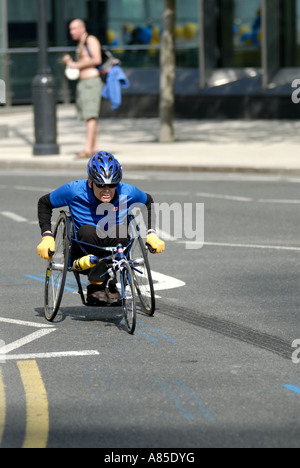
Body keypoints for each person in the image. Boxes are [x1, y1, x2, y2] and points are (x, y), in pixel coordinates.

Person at [37, 152, 165, 306]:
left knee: (121, 232)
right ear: (90, 181)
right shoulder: (74, 190)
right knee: (88, 231)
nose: (107, 190)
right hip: (82, 250)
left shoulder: (127, 191)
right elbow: (44, 203)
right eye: (101, 185)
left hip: (115, 247)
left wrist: (151, 234)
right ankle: (95, 285)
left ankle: (110, 281)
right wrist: (47, 235)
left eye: (112, 185)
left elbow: (148, 201)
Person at [63, 19, 103, 160]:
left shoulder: (90, 40)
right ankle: (93, 148)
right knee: (90, 115)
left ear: (81, 28)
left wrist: (76, 65)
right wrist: (70, 63)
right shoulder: (80, 43)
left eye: (73, 29)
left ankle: (87, 149)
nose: (71, 32)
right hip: (84, 82)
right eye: (70, 29)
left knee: (90, 115)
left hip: (91, 82)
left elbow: (97, 59)